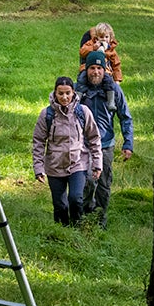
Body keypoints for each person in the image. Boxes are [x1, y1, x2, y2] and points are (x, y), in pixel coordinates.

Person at [72, 50, 133, 226]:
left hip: (106, 144)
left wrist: (128, 143)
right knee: (86, 182)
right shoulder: (77, 90)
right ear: (86, 69)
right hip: (82, 145)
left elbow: (125, 117)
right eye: (92, 68)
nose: (96, 72)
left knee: (104, 185)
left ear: (105, 69)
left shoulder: (113, 90)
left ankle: (100, 221)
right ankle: (81, 218)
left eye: (99, 68)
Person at [31, 76, 102, 226]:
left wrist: (97, 164)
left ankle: (77, 229)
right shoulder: (47, 114)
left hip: (78, 163)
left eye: (68, 93)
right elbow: (38, 141)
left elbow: (94, 138)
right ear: (55, 93)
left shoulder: (83, 111)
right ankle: (62, 233)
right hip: (54, 166)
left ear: (73, 93)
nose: (64, 97)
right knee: (60, 205)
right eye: (61, 93)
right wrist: (38, 168)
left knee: (76, 199)